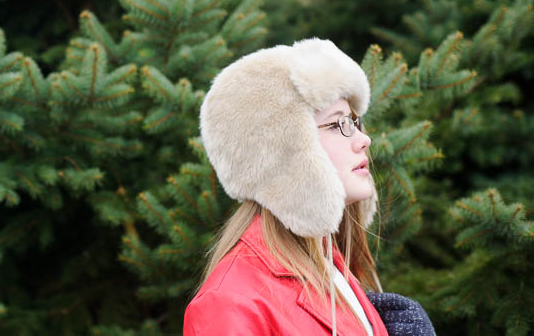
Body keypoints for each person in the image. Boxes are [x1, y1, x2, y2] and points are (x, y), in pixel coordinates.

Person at [183, 38, 435, 336]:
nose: (363, 139)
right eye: (335, 124)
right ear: (284, 150)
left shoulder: (328, 263)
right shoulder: (230, 303)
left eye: (354, 122)